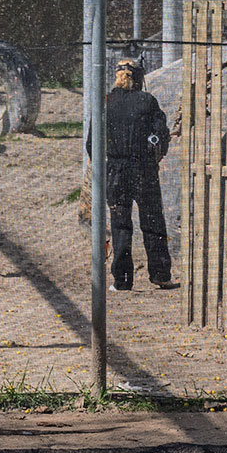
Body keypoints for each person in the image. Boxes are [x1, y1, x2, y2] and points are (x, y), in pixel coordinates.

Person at [89, 58, 179, 292]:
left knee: (120, 224)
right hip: (143, 170)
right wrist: (154, 157)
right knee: (153, 222)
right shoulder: (148, 102)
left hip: (115, 171)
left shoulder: (105, 103)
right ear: (139, 78)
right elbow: (161, 135)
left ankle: (122, 280)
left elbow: (92, 144)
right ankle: (160, 275)